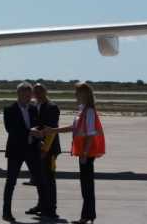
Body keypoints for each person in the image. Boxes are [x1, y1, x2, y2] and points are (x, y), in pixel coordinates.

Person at [38, 82, 104, 224]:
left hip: (87, 153)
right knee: (86, 184)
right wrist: (53, 130)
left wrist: (85, 154)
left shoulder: (89, 111)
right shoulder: (82, 110)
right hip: (83, 153)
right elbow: (73, 128)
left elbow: (91, 134)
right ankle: (88, 215)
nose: (75, 95)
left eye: (77, 93)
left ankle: (87, 216)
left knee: (87, 185)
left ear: (84, 94)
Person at [2, 82, 49, 222]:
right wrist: (30, 132)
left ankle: (44, 209)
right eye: (25, 95)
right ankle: (6, 212)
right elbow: (11, 130)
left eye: (29, 95)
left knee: (40, 180)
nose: (28, 98)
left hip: (32, 150)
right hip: (16, 151)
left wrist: (40, 138)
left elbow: (38, 126)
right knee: (11, 182)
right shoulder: (9, 109)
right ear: (18, 94)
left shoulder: (33, 108)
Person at [27, 83, 60, 220]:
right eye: (35, 91)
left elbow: (51, 130)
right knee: (40, 179)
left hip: (49, 149)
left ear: (46, 92)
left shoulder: (52, 107)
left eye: (40, 91)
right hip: (37, 148)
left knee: (49, 179)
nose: (38, 94)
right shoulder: (34, 106)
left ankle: (51, 209)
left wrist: (45, 149)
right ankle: (41, 205)